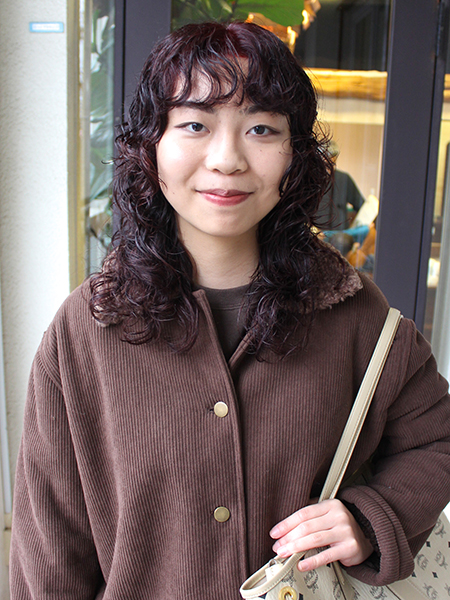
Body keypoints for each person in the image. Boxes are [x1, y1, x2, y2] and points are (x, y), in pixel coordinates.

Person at [9, 21, 450, 600]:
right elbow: (50, 545)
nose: (227, 159)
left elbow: (436, 440)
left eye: (261, 128)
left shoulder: (353, 312)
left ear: (295, 153)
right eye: (195, 124)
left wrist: (371, 518)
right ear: (151, 144)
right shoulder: (87, 329)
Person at [316, 140, 366, 230]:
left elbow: (361, 205)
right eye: (326, 164)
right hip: (315, 233)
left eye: (332, 164)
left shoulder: (344, 179)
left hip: (339, 235)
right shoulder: (309, 179)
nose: (328, 169)